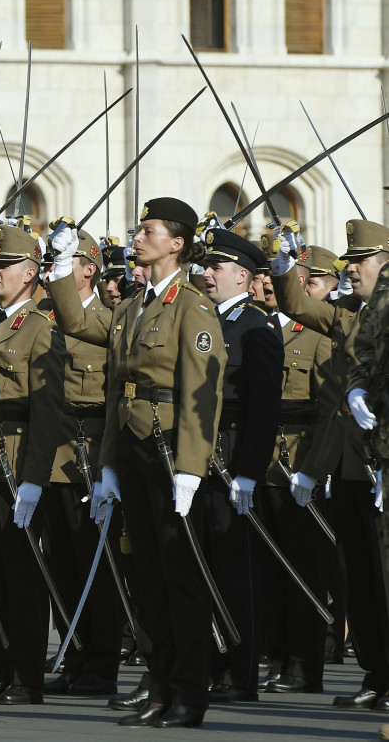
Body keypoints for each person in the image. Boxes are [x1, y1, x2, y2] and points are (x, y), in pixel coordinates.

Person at [90, 198, 225, 728]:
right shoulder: (132, 305)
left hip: (170, 453)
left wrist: (192, 468)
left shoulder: (191, 305)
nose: (138, 237)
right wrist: (107, 463)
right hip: (133, 449)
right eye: (139, 229)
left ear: (177, 243)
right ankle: (160, 688)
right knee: (145, 578)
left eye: (149, 231)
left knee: (180, 578)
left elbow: (202, 392)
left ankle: (190, 692)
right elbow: (114, 393)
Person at [277, 219, 389, 709]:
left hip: (379, 463)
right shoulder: (348, 315)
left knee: (384, 576)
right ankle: (376, 672)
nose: (351, 270)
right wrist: (286, 266)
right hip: (347, 465)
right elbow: (299, 304)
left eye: (360, 261)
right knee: (357, 575)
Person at [0, 221, 65, 706]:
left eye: (3, 265)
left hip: (18, 461)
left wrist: (34, 481)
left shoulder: (41, 329)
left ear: (30, 273)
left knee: (22, 575)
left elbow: (48, 414)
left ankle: (26, 676)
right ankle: (0, 670)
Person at [37, 230, 124, 697]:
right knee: (63, 565)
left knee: (97, 563)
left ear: (88, 269)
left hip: (89, 456)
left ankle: (101, 663)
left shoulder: (109, 322)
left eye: (66, 262)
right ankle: (73, 652)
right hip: (52, 456)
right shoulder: (42, 318)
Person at [197, 228, 282, 702]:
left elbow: (264, 408)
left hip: (232, 455)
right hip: (197, 453)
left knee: (234, 569)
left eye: (217, 268)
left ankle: (240, 673)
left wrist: (249, 471)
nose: (207, 274)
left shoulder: (256, 326)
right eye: (206, 266)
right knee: (202, 564)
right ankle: (208, 663)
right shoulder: (202, 320)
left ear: (243, 276)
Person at [252, 243, 336, 694]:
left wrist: (315, 468)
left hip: (299, 464)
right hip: (264, 461)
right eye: (262, 277)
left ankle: (306, 665)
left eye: (275, 277)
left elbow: (329, 410)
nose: (266, 283)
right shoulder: (260, 329)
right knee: (270, 569)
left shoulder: (317, 335)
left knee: (304, 570)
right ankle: (278, 657)